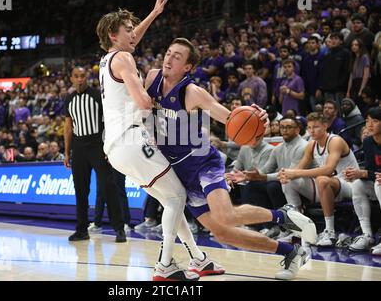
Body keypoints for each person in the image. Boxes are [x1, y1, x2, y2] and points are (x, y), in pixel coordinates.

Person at [146, 37, 317, 280]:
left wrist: (257, 119)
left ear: (188, 67)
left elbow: (231, 119)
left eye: (177, 56)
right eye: (169, 52)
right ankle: (292, 251)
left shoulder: (192, 92)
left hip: (203, 162)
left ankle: (283, 215)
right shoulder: (152, 78)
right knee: (223, 233)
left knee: (226, 215)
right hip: (179, 171)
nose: (169, 58)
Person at [96, 0, 223, 281]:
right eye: (128, 29)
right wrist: (163, 109)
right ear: (114, 35)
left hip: (116, 146)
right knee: (177, 196)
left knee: (170, 200)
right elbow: (142, 102)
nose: (133, 34)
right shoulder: (125, 57)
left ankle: (199, 259)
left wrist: (153, 14)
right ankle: (165, 265)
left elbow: (131, 40)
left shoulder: (108, 59)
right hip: (132, 140)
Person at [63, 66, 126, 243]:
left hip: (98, 145)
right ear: (71, 79)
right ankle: (82, 230)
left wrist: (109, 146)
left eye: (83, 76)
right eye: (76, 76)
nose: (80, 79)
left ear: (87, 77)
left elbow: (110, 121)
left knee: (109, 187)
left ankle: (119, 228)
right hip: (79, 147)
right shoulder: (69, 98)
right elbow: (68, 127)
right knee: (80, 191)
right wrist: (67, 152)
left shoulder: (98, 96)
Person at [279, 112, 359, 247]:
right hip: (326, 186)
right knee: (289, 181)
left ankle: (330, 232)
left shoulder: (335, 141)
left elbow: (328, 169)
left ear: (325, 126)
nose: (311, 131)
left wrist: (296, 172)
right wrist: (287, 174)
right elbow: (298, 170)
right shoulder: (311, 145)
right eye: (309, 127)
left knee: (322, 179)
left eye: (315, 127)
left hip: (350, 185)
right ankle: (299, 227)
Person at [343, 107, 381, 254]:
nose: (369, 125)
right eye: (367, 121)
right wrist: (356, 174)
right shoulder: (368, 142)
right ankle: (367, 235)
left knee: (378, 183)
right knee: (358, 184)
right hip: (378, 183)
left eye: (375, 121)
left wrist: (364, 172)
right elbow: (372, 171)